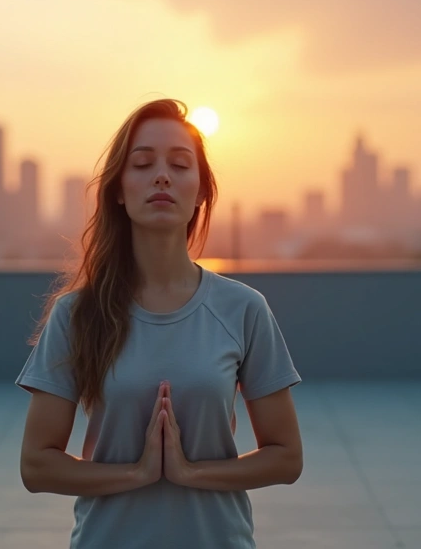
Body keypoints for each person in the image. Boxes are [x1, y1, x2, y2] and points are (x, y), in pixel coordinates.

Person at [15, 98, 304, 548]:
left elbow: (286, 458)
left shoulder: (243, 309)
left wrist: (191, 473)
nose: (162, 176)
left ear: (202, 191)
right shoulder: (77, 314)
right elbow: (36, 466)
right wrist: (136, 474)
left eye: (180, 165)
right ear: (118, 189)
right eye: (143, 163)